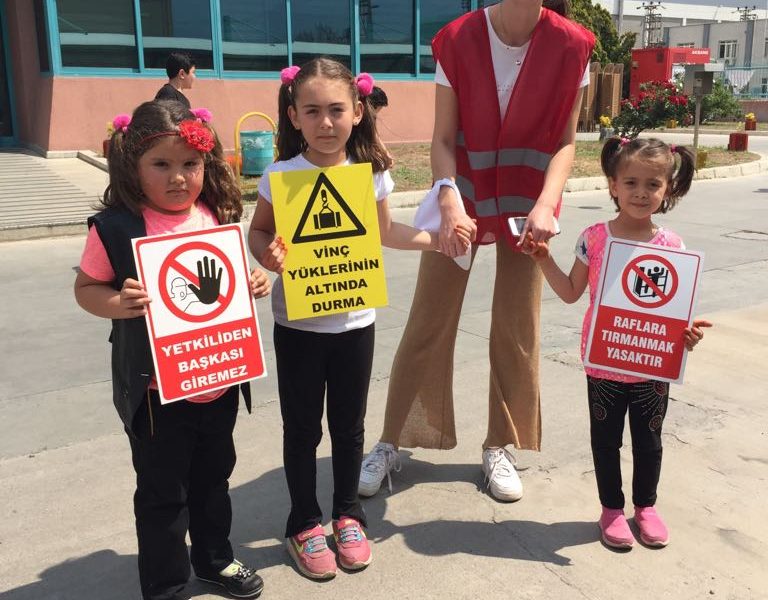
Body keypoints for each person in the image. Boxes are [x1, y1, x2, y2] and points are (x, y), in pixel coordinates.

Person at [359, 0, 595, 502]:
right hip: (461, 195)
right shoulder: (458, 38)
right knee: (428, 319)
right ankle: (391, 440)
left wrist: (547, 203)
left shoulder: (573, 45)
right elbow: (443, 138)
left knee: (517, 325)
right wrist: (447, 197)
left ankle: (499, 445)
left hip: (528, 202)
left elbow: (566, 142)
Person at [247, 58, 471, 580]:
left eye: (336, 110)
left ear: (357, 111)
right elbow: (259, 232)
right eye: (312, 111)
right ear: (293, 116)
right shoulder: (280, 176)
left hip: (354, 325)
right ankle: (304, 523)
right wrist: (267, 255)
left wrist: (438, 240)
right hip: (297, 326)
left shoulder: (371, 174)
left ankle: (348, 515)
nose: (325, 122)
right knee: (302, 430)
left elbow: (384, 233)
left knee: (349, 428)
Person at [74, 100, 268, 600]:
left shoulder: (215, 215)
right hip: (158, 394)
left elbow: (224, 287)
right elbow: (86, 289)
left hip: (218, 382)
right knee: (163, 494)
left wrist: (251, 282)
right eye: (161, 164)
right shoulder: (116, 228)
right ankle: (165, 584)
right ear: (132, 166)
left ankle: (214, 560)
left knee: (214, 480)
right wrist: (118, 303)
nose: (178, 177)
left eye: (191, 164)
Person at [525, 137, 712, 548]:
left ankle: (646, 507)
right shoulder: (594, 238)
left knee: (650, 443)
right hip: (604, 362)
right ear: (613, 185)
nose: (641, 193)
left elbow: (675, 314)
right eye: (631, 183)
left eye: (652, 184)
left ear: (667, 189)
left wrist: (687, 335)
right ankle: (611, 509)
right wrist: (543, 259)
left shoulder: (672, 246)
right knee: (606, 442)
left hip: (652, 366)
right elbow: (571, 292)